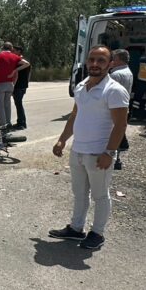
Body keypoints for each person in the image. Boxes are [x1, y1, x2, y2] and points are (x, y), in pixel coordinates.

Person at [49, 45, 129, 251]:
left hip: (98, 153)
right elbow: (75, 115)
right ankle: (76, 229)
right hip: (78, 150)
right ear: (86, 62)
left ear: (110, 64)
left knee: (100, 195)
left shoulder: (114, 90)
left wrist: (109, 152)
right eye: (92, 59)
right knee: (80, 193)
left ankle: (97, 233)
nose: (95, 64)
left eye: (101, 60)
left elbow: (121, 125)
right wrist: (62, 140)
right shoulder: (81, 86)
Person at [0, 42, 29, 128]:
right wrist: (15, 70)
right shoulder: (15, 57)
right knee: (7, 104)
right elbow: (27, 64)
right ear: (11, 48)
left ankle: (2, 125)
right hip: (10, 84)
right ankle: (8, 123)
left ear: (3, 47)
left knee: (0, 105)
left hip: (0, 83)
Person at [10, 46, 31, 130]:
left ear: (19, 51)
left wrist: (15, 70)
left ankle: (22, 123)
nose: (12, 52)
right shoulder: (20, 61)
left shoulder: (20, 61)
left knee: (18, 104)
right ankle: (20, 122)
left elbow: (27, 65)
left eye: (14, 51)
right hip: (22, 86)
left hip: (19, 86)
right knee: (18, 104)